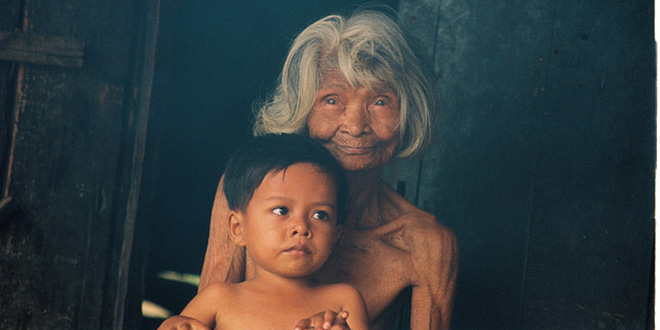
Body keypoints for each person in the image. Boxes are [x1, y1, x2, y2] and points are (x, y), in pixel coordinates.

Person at [200, 8, 459, 330]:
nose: (355, 126)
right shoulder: (254, 191)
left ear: (410, 113)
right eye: (332, 100)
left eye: (380, 102)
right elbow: (202, 316)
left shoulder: (425, 244)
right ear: (303, 108)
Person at [157, 134, 369, 330]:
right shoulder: (220, 298)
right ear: (237, 228)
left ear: (336, 235)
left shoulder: (342, 301)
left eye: (320, 215)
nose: (302, 227)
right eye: (281, 210)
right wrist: (173, 324)